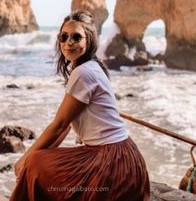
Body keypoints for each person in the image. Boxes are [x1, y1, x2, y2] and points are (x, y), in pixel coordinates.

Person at [10, 10, 150, 201]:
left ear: (89, 40)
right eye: (63, 37)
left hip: (112, 162)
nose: (69, 42)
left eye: (76, 37)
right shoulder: (91, 67)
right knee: (38, 162)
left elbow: (59, 124)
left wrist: (25, 160)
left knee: (34, 162)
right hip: (125, 157)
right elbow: (64, 127)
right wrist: (39, 156)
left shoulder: (83, 73)